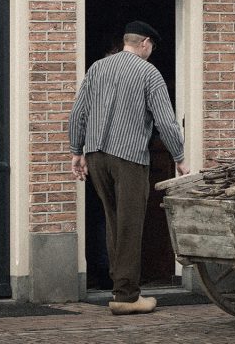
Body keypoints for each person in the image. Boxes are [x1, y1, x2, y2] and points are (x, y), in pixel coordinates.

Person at [69, 20, 188, 315]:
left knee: (113, 222)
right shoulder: (149, 73)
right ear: (145, 44)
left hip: (95, 155)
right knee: (130, 226)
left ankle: (119, 288)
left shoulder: (97, 68)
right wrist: (179, 155)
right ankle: (126, 296)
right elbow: (165, 120)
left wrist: (76, 151)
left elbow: (78, 112)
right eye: (151, 47)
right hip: (129, 156)